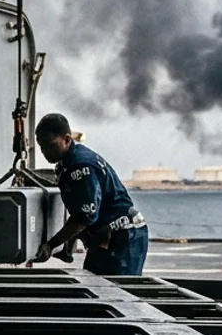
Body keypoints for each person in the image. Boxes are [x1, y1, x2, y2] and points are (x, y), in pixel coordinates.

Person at [29, 112, 150, 275]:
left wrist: (51, 245)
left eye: (50, 145)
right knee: (97, 287)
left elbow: (84, 217)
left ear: (66, 139)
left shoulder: (82, 166)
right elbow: (78, 206)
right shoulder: (66, 164)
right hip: (104, 236)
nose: (45, 151)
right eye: (41, 145)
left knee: (119, 293)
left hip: (123, 236)